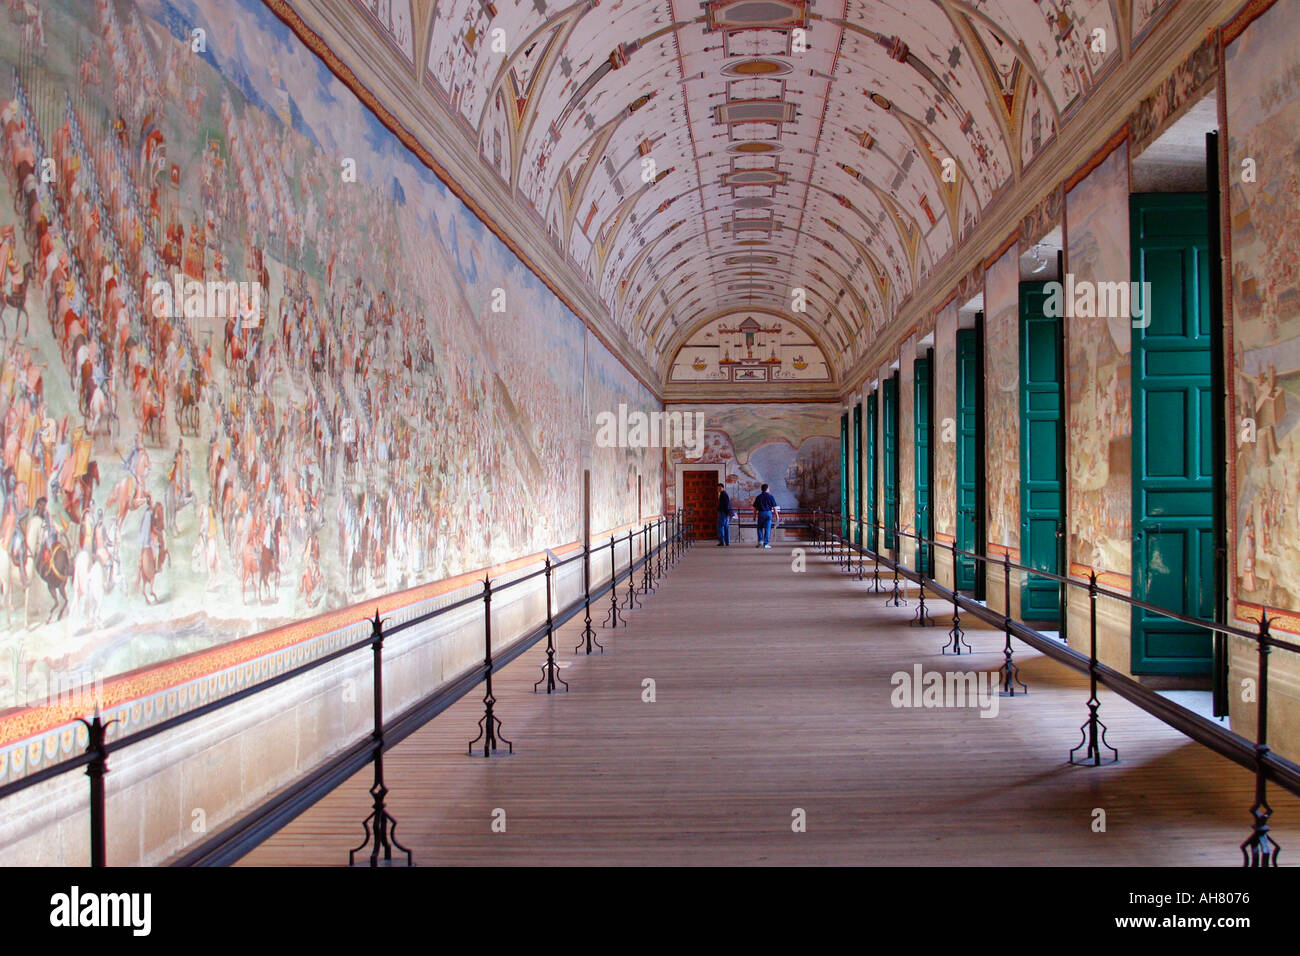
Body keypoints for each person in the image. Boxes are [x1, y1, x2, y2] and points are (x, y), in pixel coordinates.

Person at [753, 484, 778, 548]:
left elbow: (755, 508)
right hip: (768, 513)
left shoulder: (758, 497)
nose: (769, 489)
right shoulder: (770, 497)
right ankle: (766, 544)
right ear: (767, 489)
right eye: (769, 488)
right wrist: (777, 516)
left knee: (759, 528)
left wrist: (754, 516)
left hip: (761, 513)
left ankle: (760, 542)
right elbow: (775, 508)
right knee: (767, 529)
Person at [716, 482, 731, 547]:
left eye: (719, 488)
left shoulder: (723, 494)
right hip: (725, 513)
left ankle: (722, 542)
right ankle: (727, 542)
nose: (718, 489)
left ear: (722, 488)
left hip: (723, 513)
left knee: (721, 527)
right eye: (717, 488)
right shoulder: (723, 494)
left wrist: (727, 513)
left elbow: (727, 504)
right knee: (725, 527)